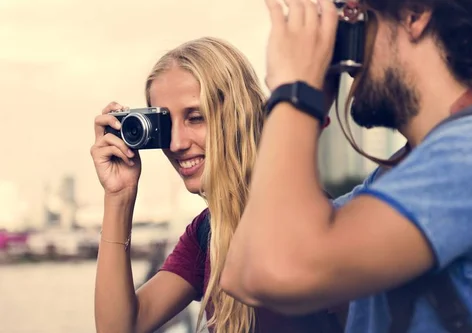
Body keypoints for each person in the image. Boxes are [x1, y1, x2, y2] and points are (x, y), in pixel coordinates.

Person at [220, 1, 472, 333]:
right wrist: (310, 99)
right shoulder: (398, 177)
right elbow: (241, 272)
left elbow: (279, 269)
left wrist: (295, 91)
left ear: (415, 13)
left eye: (353, 17)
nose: (346, 53)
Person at [91, 37, 343, 333]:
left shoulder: (302, 215)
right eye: (166, 125)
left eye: (195, 118)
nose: (176, 143)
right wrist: (118, 197)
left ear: (239, 114)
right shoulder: (206, 232)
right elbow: (119, 327)